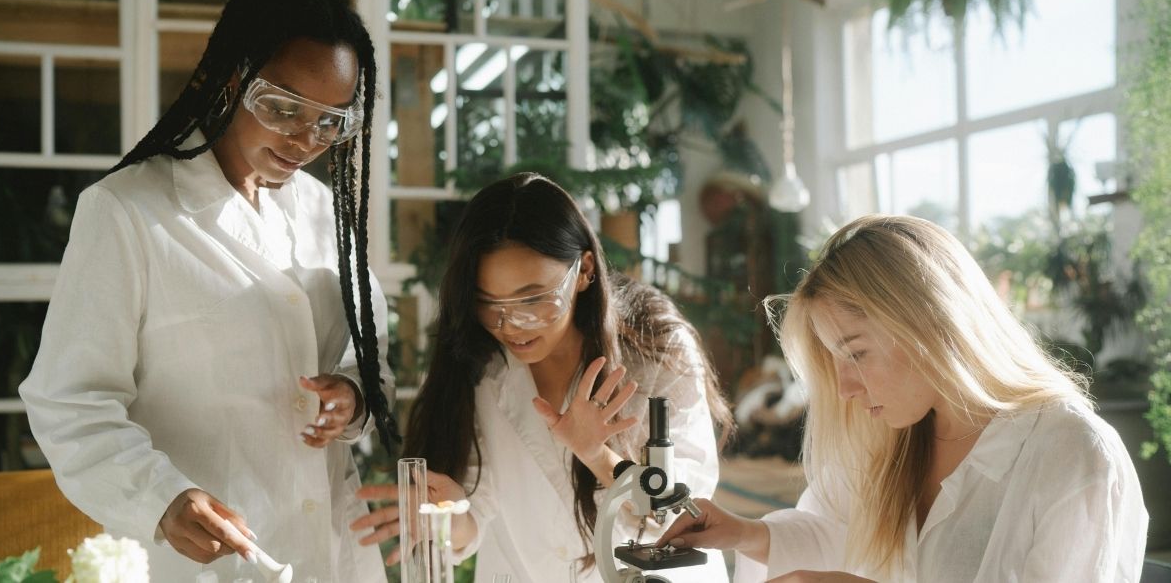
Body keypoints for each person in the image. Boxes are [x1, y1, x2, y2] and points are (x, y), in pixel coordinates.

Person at [19, 0, 397, 582]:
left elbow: (370, 355)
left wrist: (352, 398)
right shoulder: (128, 212)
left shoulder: (322, 214)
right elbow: (70, 400)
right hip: (207, 563)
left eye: (331, 122)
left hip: (334, 552)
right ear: (230, 77)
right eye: (283, 107)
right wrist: (160, 498)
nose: (306, 139)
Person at [656, 214, 1149, 582]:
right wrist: (745, 532)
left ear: (928, 325)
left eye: (857, 354)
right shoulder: (891, 435)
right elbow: (839, 535)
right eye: (835, 362)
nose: (846, 388)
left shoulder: (1071, 454)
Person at [353, 173, 733, 582]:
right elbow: (476, 514)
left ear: (585, 270)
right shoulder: (480, 362)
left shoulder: (658, 349)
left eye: (533, 299)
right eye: (488, 303)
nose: (511, 324)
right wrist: (448, 516)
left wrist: (597, 454)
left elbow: (684, 516)